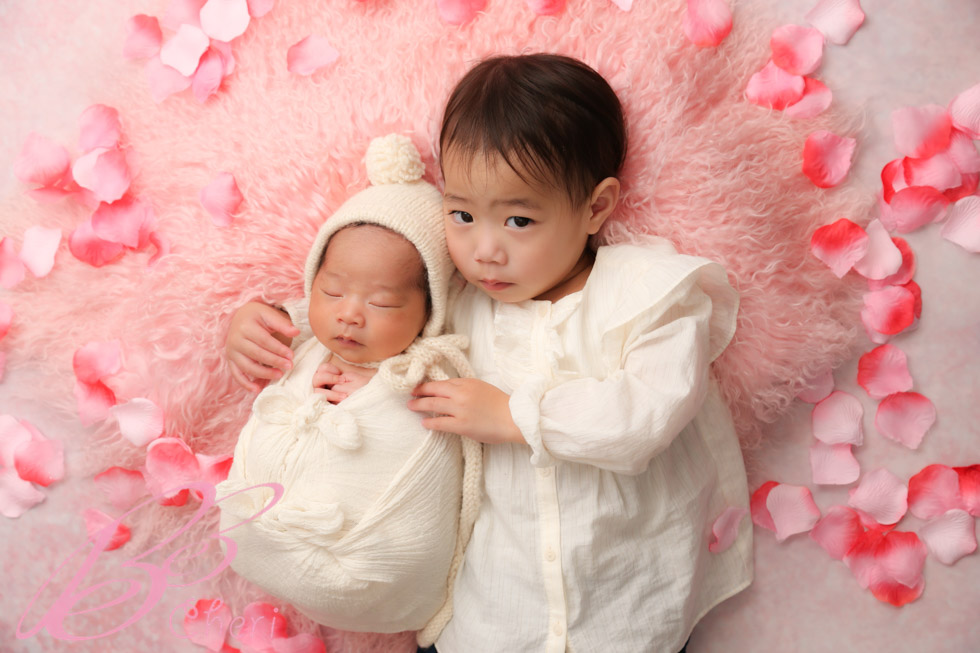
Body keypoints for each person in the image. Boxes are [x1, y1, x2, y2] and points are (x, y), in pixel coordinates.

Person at [225, 55, 753, 653]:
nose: (484, 251)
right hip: (492, 612)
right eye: (462, 215)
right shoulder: (457, 300)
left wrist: (512, 415)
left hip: (624, 601)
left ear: (596, 207)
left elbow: (644, 417)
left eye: (519, 220)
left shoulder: (646, 293)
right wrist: (268, 321)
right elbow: (368, 311)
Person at [216, 134, 481, 647]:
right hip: (257, 533)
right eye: (332, 290)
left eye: (382, 303)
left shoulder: (434, 363)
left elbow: (449, 426)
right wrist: (247, 322)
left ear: (430, 309)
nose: (349, 314)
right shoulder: (303, 335)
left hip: (373, 566)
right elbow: (281, 319)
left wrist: (390, 386)